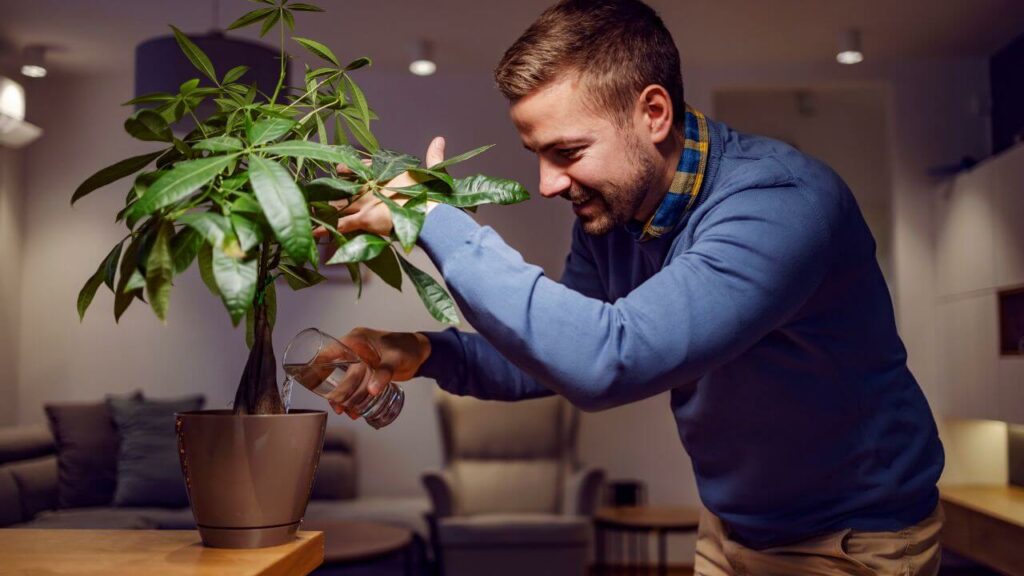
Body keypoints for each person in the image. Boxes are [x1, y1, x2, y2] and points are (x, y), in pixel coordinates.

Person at [314, 0, 945, 573]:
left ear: (653, 113)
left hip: (853, 540)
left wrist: (431, 219)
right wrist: (424, 352)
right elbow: (556, 354)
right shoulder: (613, 213)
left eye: (567, 151)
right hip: (731, 527)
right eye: (537, 153)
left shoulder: (780, 205)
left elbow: (606, 360)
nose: (548, 183)